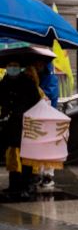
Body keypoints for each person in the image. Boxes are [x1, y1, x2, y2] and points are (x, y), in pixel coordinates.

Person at [0, 55, 46, 202]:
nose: (12, 68)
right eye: (10, 65)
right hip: (8, 124)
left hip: (24, 123)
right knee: (12, 155)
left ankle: (26, 186)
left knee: (25, 156)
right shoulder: (4, 82)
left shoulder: (27, 83)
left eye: (15, 65)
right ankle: (14, 186)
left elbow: (36, 102)